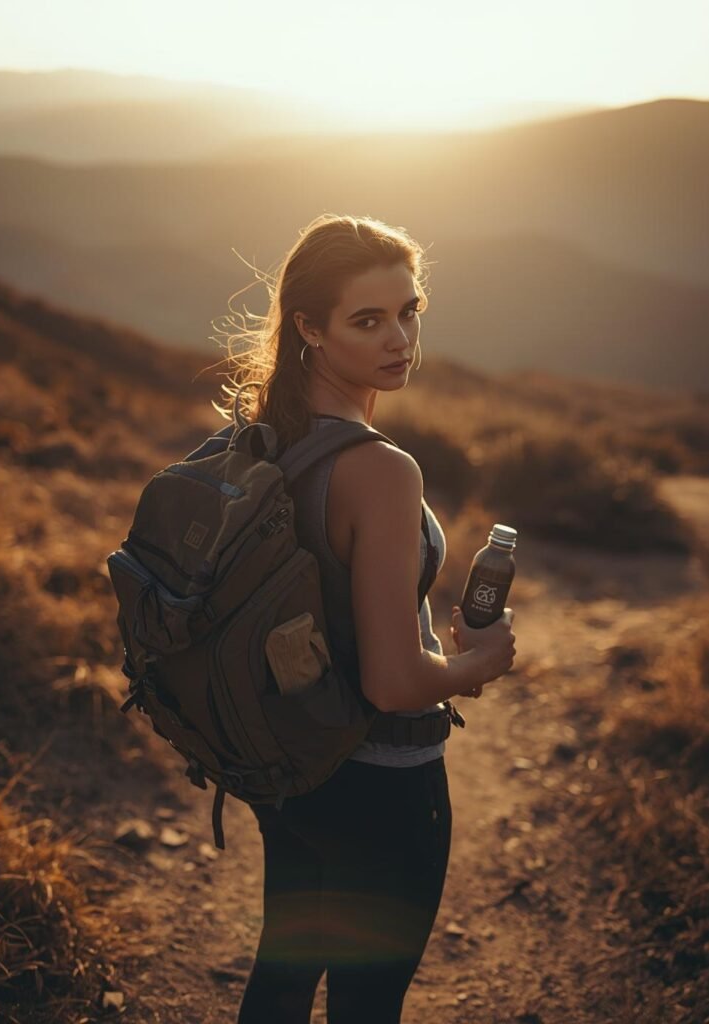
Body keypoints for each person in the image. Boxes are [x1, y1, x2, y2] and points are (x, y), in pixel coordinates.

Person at [213, 214, 516, 1023]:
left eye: (408, 311)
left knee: (280, 979)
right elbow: (393, 681)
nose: (400, 339)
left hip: (293, 770)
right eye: (368, 319)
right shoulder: (380, 471)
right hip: (381, 782)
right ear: (308, 328)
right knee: (366, 1003)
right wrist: (477, 665)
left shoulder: (261, 437)